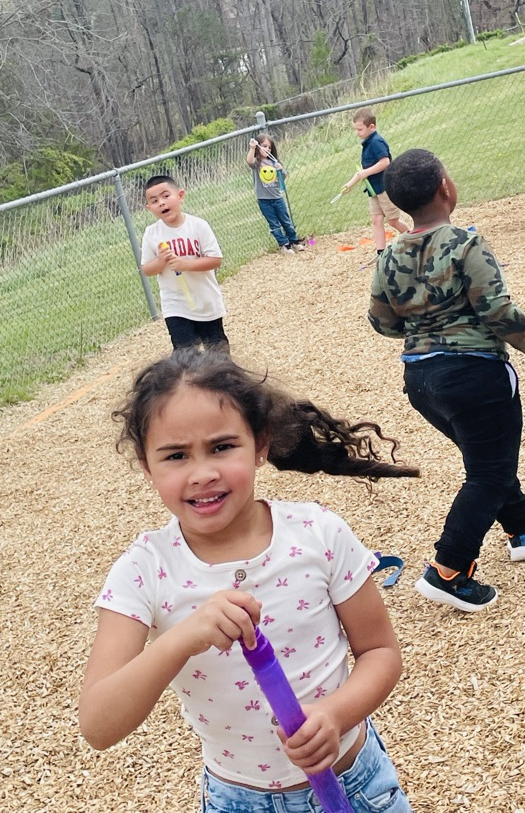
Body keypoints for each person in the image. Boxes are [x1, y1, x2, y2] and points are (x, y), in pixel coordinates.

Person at [79, 348, 417, 812]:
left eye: (222, 447)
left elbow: (380, 652)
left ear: (260, 443)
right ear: (146, 465)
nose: (203, 473)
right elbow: (98, 724)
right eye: (175, 455)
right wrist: (180, 640)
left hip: (355, 783)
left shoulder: (317, 533)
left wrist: (335, 716)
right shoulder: (143, 572)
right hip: (239, 800)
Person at [367, 149, 525, 613]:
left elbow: (381, 321)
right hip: (475, 374)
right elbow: (497, 313)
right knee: (488, 471)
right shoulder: (466, 243)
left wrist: (418, 328)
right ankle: (449, 570)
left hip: (421, 381)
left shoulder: (390, 254)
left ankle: (521, 528)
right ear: (444, 187)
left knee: (487, 457)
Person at [141, 174, 229, 353]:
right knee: (185, 355)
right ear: (149, 208)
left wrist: (185, 265)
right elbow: (147, 269)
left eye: (166, 196)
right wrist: (161, 261)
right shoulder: (151, 233)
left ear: (180, 196)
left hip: (206, 300)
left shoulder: (198, 226)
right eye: (155, 200)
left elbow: (215, 260)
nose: (162, 203)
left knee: (218, 353)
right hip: (175, 304)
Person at [342, 108, 409, 261]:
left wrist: (366, 173)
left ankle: (413, 238)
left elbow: (385, 162)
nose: (357, 133)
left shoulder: (376, 142)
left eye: (360, 129)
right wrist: (350, 184)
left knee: (392, 220)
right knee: (376, 219)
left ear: (371, 127)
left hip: (384, 187)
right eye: (355, 129)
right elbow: (362, 171)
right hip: (373, 190)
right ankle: (381, 253)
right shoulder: (367, 143)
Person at [246, 133, 305, 255]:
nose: (267, 149)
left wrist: (280, 169)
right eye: (264, 146)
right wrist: (252, 148)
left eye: (269, 147)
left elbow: (283, 176)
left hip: (277, 198)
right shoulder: (257, 163)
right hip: (264, 200)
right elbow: (250, 161)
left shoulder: (273, 162)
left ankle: (294, 241)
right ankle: (284, 244)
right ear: (258, 147)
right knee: (274, 224)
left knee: (286, 221)